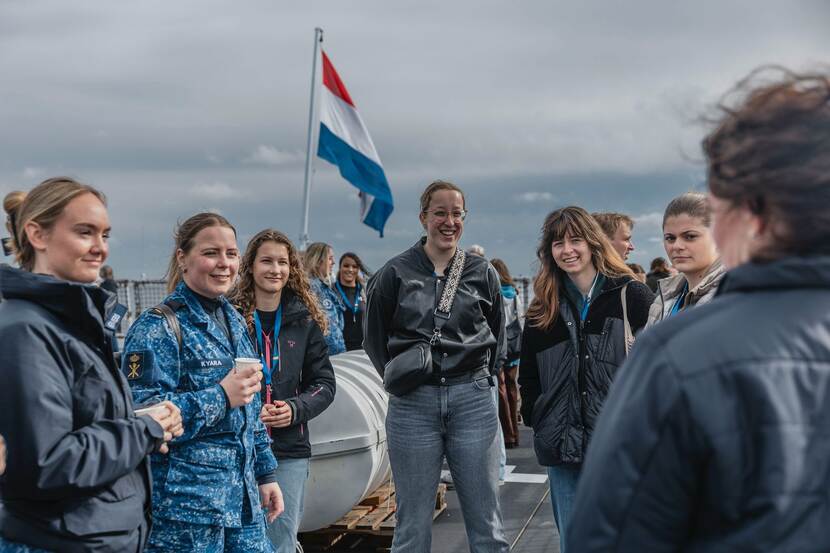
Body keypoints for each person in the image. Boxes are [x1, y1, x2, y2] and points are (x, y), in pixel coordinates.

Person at [568, 68, 830, 551]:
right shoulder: (668, 312)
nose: (678, 245)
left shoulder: (679, 357)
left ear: (744, 209)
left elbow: (611, 536)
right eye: (671, 237)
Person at [0, 178, 182, 552]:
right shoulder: (27, 330)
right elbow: (47, 463)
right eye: (85, 232)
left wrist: (139, 420)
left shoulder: (73, 322)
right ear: (37, 234)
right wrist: (144, 430)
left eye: (105, 235)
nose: (100, 248)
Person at [121, 212, 283, 552]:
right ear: (183, 257)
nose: (223, 263)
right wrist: (220, 396)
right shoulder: (158, 328)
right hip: (185, 512)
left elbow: (250, 406)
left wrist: (266, 475)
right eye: (211, 253)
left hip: (243, 504)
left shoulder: (234, 320)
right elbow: (144, 418)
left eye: (231, 254)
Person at [364, 180, 509, 553]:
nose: (448, 221)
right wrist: (403, 376)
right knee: (411, 525)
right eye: (439, 213)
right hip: (413, 402)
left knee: (487, 522)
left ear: (465, 218)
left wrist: (481, 380)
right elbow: (374, 340)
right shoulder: (393, 273)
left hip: (472, 398)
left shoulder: (481, 272)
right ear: (423, 217)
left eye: (456, 213)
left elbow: (498, 335)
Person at [518, 206, 654, 553]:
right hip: (563, 447)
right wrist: (541, 416)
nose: (567, 250)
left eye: (575, 240)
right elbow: (529, 378)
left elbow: (661, 365)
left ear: (593, 243)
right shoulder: (541, 310)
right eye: (558, 243)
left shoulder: (631, 296)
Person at [229, 229, 336, 552]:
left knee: (280, 540)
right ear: (250, 266)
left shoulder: (304, 321)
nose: (275, 269)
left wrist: (294, 408)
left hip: (288, 451)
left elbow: (324, 384)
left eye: (282, 262)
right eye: (266, 261)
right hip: (239, 449)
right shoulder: (230, 318)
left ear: (292, 269)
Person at [645, 192, 725, 328]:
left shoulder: (735, 297)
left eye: (690, 236)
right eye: (670, 238)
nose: (677, 246)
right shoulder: (664, 297)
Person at [491, 258, 523, 449]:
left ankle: (508, 434)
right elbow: (519, 318)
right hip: (515, 345)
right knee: (512, 388)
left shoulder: (495, 293)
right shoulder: (514, 293)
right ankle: (515, 434)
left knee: (501, 387)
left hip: (499, 344)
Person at [304, 242, 346, 355]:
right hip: (326, 355)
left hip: (332, 353)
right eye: (330, 258)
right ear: (318, 261)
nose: (333, 262)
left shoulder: (324, 287)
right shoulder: (312, 287)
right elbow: (325, 326)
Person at [336, 252, 370, 351]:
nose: (350, 270)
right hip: (340, 350)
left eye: (354, 267)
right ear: (340, 267)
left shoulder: (365, 292)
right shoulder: (332, 291)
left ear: (358, 269)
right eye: (346, 266)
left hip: (363, 349)